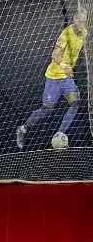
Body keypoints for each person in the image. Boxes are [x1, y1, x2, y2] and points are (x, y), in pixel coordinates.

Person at [17, 9, 88, 150]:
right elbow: (55, 55)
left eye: (84, 21)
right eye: (79, 20)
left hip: (66, 79)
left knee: (75, 103)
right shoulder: (66, 33)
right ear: (74, 18)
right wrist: (65, 67)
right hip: (54, 78)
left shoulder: (84, 33)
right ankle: (23, 128)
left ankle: (60, 133)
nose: (81, 23)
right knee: (47, 109)